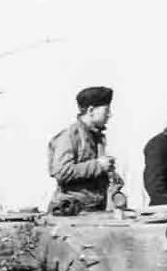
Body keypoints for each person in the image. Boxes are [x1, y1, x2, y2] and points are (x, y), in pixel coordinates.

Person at [47, 86, 116, 214]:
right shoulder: (69, 136)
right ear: (91, 110)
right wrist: (98, 165)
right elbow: (61, 172)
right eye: (106, 109)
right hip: (70, 211)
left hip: (93, 208)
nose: (110, 114)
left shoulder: (97, 137)